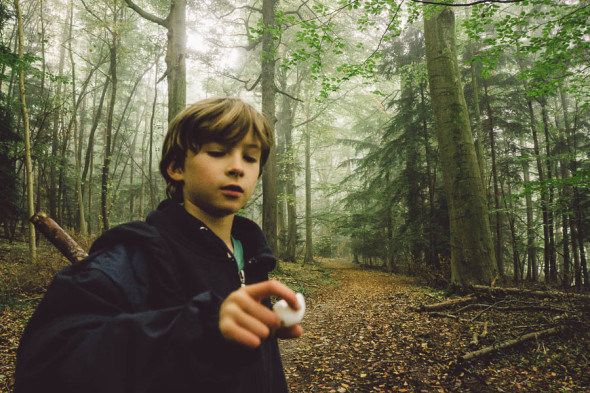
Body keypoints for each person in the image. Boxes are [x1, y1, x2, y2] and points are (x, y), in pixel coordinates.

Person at [14, 97, 303, 393]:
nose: (237, 167)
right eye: (218, 152)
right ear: (176, 167)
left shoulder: (252, 257)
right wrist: (197, 329)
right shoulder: (137, 254)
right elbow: (45, 362)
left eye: (251, 158)